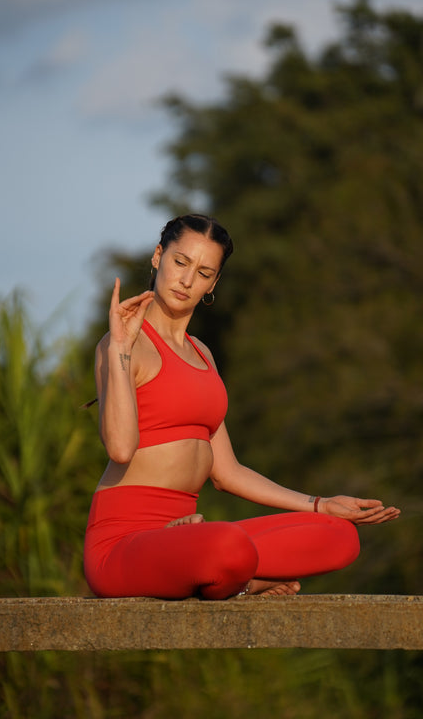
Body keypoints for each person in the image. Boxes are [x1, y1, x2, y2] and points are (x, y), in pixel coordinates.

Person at [83, 214, 400, 599]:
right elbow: (119, 448)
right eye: (180, 262)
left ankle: (228, 576)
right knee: (226, 545)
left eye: (203, 272)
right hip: (124, 542)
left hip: (189, 532)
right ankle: (237, 579)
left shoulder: (203, 354)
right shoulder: (119, 345)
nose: (186, 280)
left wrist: (319, 505)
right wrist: (120, 347)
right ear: (158, 257)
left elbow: (227, 472)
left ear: (213, 282)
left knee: (340, 537)